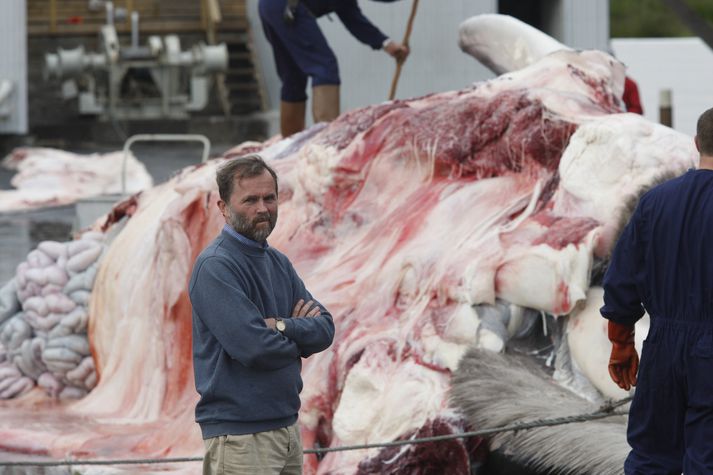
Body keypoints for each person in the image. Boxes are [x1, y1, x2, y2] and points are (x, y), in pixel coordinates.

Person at [189, 154, 335, 474]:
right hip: (241, 438)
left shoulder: (278, 262)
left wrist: (280, 326)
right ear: (223, 207)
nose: (262, 208)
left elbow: (325, 329)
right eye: (250, 200)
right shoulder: (216, 266)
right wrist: (299, 337)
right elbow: (254, 348)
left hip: (286, 429)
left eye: (270, 198)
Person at [601, 106, 713, 474]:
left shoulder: (655, 202)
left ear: (696, 143)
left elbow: (622, 279)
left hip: (662, 349)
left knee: (651, 459)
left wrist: (621, 343)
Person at [258, 0, 410, 137]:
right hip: (288, 7)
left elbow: (352, 18)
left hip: (269, 6)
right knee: (324, 66)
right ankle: (325, 146)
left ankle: (289, 148)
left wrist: (386, 44)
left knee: (293, 77)